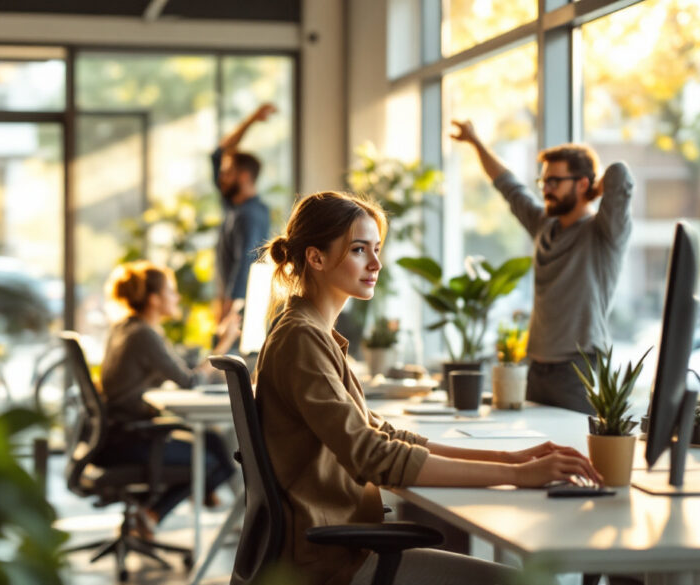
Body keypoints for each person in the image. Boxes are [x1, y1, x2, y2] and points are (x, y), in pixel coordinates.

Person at [254, 191, 603, 585]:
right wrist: (521, 477)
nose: (376, 263)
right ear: (316, 258)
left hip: (341, 550)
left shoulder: (311, 334)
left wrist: (512, 460)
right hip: (335, 564)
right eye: (358, 250)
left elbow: (383, 435)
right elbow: (372, 456)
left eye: (377, 249)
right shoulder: (301, 339)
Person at [450, 120, 634, 414]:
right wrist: (475, 142)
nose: (546, 189)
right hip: (535, 367)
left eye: (554, 182)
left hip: (578, 369)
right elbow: (508, 185)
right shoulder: (543, 225)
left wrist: (593, 192)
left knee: (574, 450)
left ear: (583, 183)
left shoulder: (603, 233)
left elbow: (619, 174)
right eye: (543, 181)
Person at [95, 260, 239, 533]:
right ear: (154, 299)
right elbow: (190, 381)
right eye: (171, 291)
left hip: (113, 435)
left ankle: (197, 493)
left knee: (213, 442)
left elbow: (179, 367)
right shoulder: (143, 335)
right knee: (217, 463)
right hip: (128, 439)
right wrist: (224, 345)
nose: (177, 297)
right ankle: (154, 511)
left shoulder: (127, 327)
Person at [211, 103, 274, 328]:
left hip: (239, 319)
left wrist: (226, 309)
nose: (221, 178)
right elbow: (218, 154)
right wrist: (251, 120)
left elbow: (245, 264)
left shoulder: (250, 215)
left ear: (245, 176)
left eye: (228, 173)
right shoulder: (234, 208)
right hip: (235, 313)